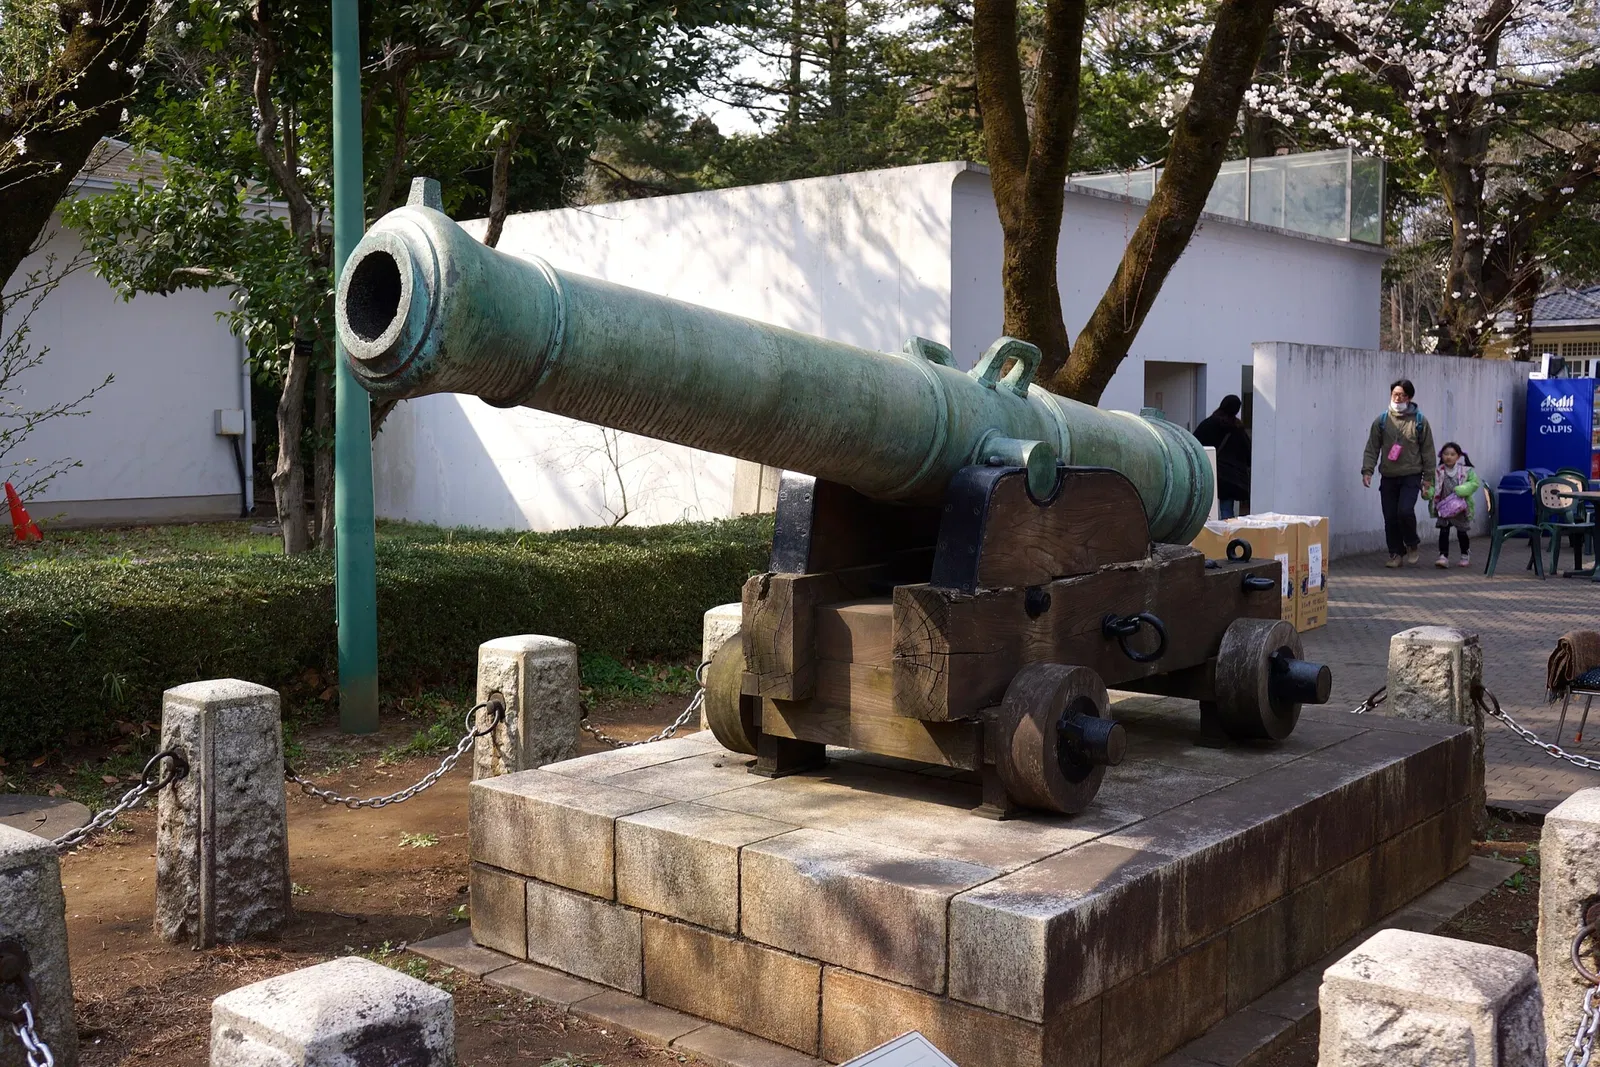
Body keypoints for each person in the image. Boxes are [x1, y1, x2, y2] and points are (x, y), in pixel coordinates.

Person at [1362, 379, 1436, 568]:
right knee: (1390, 516)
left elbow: (1428, 451)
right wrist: (1368, 470)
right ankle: (1395, 553)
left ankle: (1411, 543)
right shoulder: (1381, 421)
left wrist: (1428, 478)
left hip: (1411, 474)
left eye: (1402, 395)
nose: (1397, 398)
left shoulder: (1419, 421)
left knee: (1404, 510)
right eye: (1395, 394)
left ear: (1409, 397)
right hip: (1389, 475)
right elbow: (1372, 447)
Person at [1194, 395, 1251, 518]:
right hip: (1231, 477)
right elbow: (1247, 452)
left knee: (1207, 507)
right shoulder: (1238, 428)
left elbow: (1195, 443)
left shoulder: (1208, 424)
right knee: (1227, 508)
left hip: (1210, 471)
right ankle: (1227, 529)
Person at [1430, 442, 1481, 568]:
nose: (1449, 457)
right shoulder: (1438, 472)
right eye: (1446, 454)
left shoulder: (1466, 471)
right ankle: (1443, 556)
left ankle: (1465, 555)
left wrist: (1462, 489)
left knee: (1462, 532)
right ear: (1441, 456)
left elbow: (1474, 483)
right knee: (1444, 531)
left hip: (1461, 508)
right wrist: (1427, 492)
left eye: (1452, 454)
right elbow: (1432, 486)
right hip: (1444, 507)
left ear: (1458, 456)